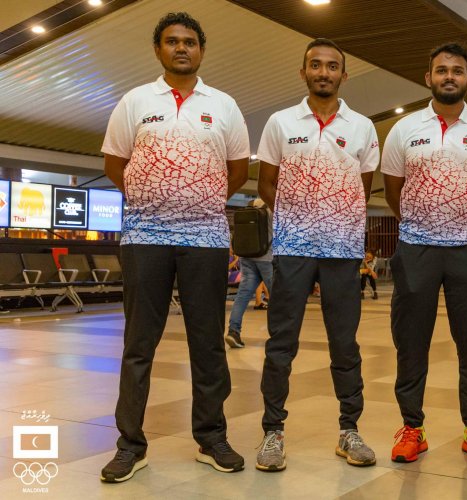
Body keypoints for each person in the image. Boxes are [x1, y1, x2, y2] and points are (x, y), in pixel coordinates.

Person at [100, 12, 250, 483]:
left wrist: (195, 198)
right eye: (171, 41)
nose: (181, 48)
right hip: (145, 238)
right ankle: (130, 445)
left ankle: (211, 438)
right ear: (158, 50)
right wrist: (155, 199)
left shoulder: (223, 105)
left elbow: (238, 169)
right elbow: (114, 162)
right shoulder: (135, 100)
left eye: (189, 41)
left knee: (208, 343)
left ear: (201, 50)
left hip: (205, 239)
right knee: (138, 344)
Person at [381, 42, 467, 464]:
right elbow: (393, 190)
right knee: (411, 343)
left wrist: (460, 221)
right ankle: (412, 429)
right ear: (428, 77)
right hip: (416, 249)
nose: (449, 76)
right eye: (441, 70)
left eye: (457, 70)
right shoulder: (403, 129)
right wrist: (424, 222)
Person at [254, 38, 379, 471]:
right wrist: (298, 218)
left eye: (332, 66)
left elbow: (362, 189)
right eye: (315, 65)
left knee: (344, 344)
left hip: (343, 253)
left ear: (344, 75)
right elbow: (265, 183)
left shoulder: (362, 126)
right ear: (303, 71)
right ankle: (273, 432)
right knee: (280, 344)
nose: (323, 72)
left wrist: (336, 219)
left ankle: (350, 429)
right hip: (292, 250)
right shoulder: (280, 122)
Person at [226, 198, 273, 348]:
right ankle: (278, 336)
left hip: (247, 257)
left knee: (242, 296)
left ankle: (233, 331)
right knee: (278, 298)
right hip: (267, 258)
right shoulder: (272, 208)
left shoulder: (249, 207)